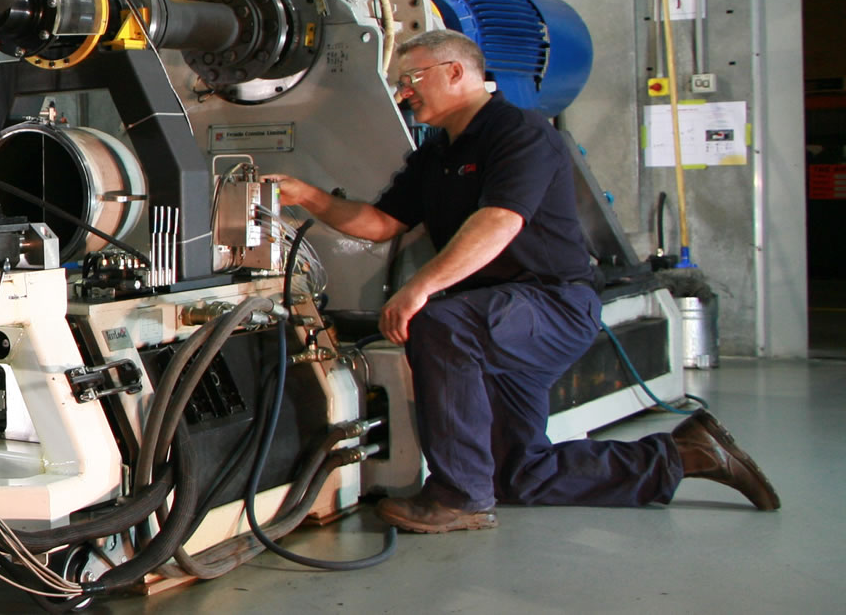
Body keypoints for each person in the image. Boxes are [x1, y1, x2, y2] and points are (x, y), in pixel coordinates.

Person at [265, 30, 780, 534]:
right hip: (497, 316)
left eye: (411, 77)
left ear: (455, 72)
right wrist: (305, 195)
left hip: (551, 305)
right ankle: (687, 455)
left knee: (443, 324)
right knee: (518, 473)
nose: (403, 91)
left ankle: (457, 497)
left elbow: (501, 220)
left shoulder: (521, 132)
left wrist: (418, 287)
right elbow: (380, 224)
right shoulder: (437, 154)